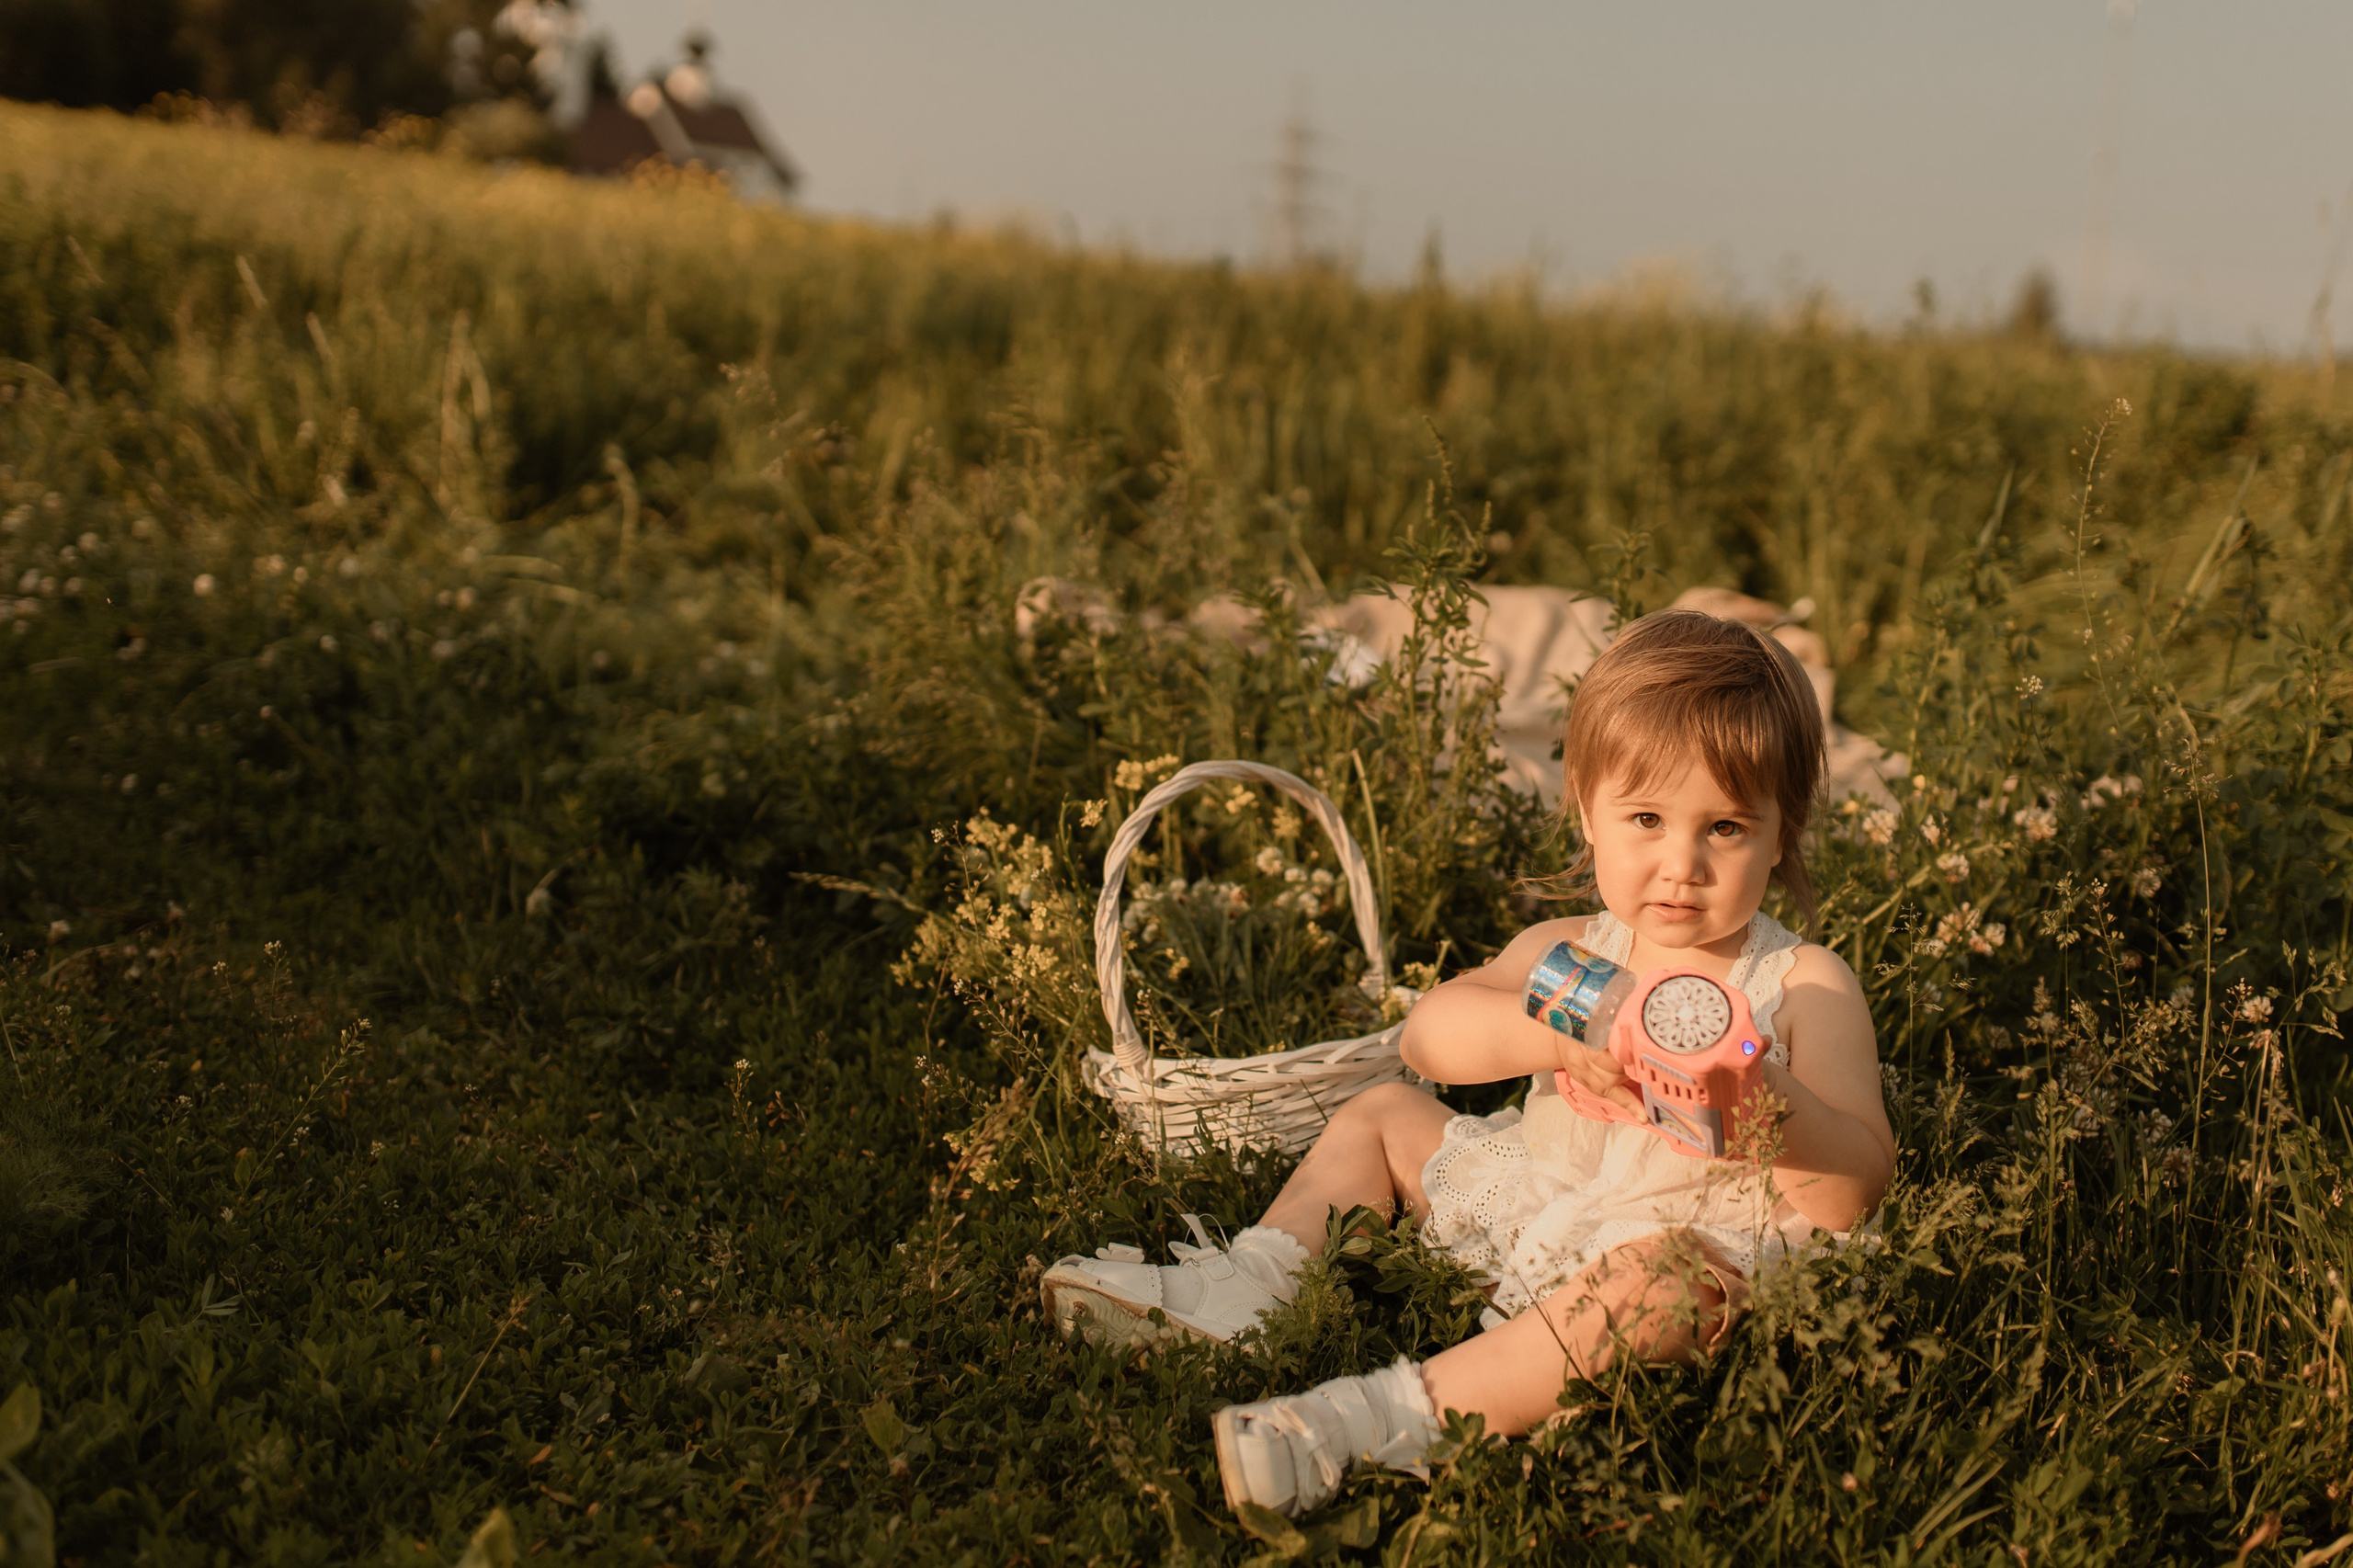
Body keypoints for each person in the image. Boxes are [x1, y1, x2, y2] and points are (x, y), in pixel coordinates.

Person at [1040, 608, 1896, 1518]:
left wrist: (1761, 1104)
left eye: (1724, 827)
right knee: (1383, 1112)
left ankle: (1375, 1419)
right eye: (1646, 818)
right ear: (1587, 806)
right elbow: (1429, 1035)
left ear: (1781, 831)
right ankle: (1249, 1286)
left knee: (1668, 1283)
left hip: (1682, 1250)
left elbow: (1856, 1187)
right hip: (1539, 1206)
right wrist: (1559, 1038)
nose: (1680, 864)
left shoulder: (1801, 984)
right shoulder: (1575, 951)